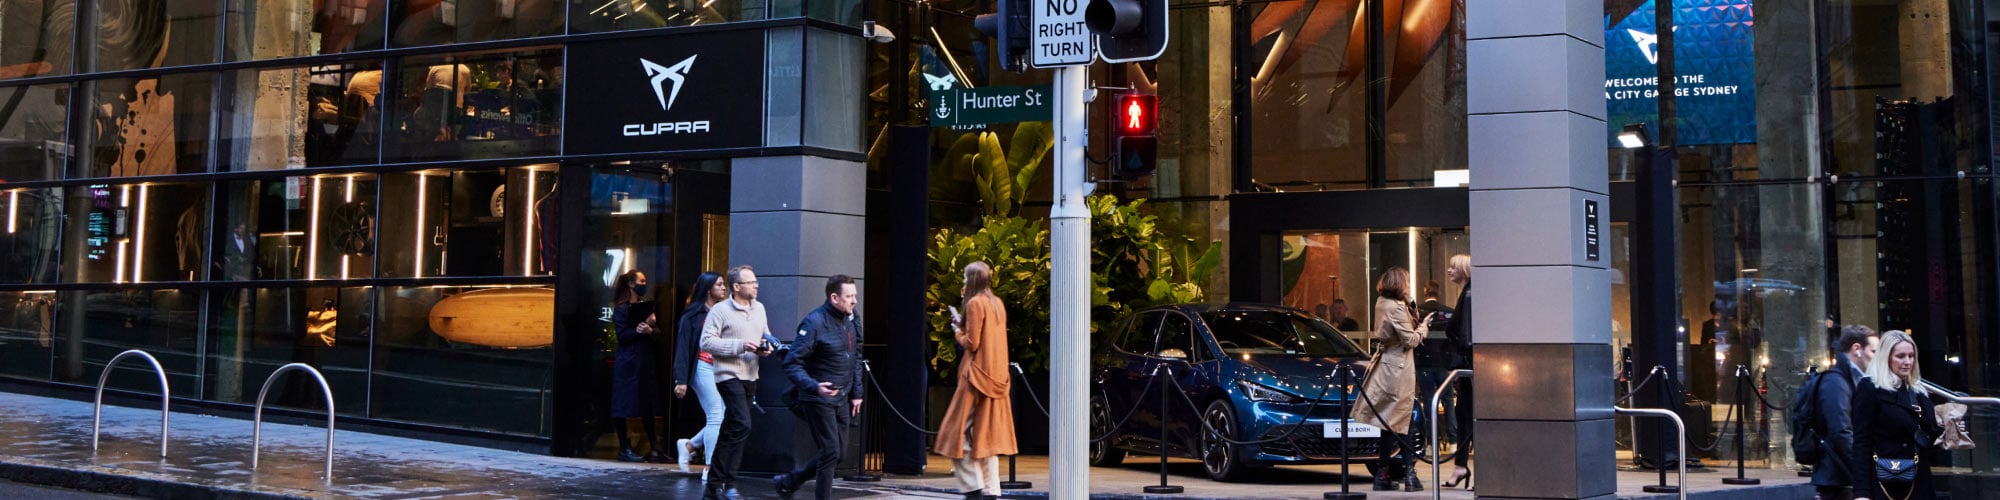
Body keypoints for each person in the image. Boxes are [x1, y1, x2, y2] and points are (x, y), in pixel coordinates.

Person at [774, 275, 867, 500]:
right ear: (834, 298)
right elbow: (792, 363)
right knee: (830, 451)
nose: (854, 301)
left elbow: (856, 356)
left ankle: (790, 481)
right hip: (818, 397)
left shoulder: (852, 318)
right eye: (849, 296)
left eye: (855, 295)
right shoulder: (814, 322)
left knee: (839, 454)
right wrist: (814, 386)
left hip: (842, 396)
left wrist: (857, 392)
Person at [933, 262, 1017, 500]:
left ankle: (973, 488)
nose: (962, 282)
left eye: (964, 277)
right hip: (996, 377)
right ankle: (991, 491)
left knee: (955, 433)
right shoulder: (996, 303)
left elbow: (972, 343)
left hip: (975, 377)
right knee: (985, 437)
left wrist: (957, 332)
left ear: (971, 280)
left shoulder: (974, 303)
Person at [699, 266, 777, 500]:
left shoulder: (759, 308)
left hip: (751, 375)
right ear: (737, 286)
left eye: (755, 281)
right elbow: (706, 342)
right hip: (727, 375)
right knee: (743, 424)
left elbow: (765, 334)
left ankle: (716, 485)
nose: (756, 285)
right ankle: (728, 483)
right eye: (751, 282)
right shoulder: (720, 310)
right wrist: (739, 345)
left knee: (732, 428)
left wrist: (766, 347)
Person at [1851, 330, 1957, 500]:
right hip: (1883, 479)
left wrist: (1949, 430)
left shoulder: (1917, 391)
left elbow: (1926, 437)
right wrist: (1862, 492)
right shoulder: (1870, 388)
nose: (1907, 361)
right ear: (1886, 358)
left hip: (1918, 479)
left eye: (1911, 356)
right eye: (1900, 356)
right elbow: (1861, 442)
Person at [1353, 266, 1429, 492]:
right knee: (1402, 420)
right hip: (1399, 367)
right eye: (1406, 282)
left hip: (1387, 365)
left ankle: (1382, 474)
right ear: (1399, 284)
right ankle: (1410, 474)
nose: (1409, 286)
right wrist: (1424, 328)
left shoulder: (1382, 303)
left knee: (1388, 421)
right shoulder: (1395, 308)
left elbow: (1407, 322)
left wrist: (1411, 303)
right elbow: (1410, 339)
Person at [1811, 325, 1879, 500]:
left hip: (1842, 475)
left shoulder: (1852, 380)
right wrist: (1863, 470)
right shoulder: (1836, 382)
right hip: (1837, 479)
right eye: (1873, 352)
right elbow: (1841, 432)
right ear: (1857, 349)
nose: (1877, 358)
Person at [673, 272, 727, 473]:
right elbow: (683, 347)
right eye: (719, 284)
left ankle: (690, 445)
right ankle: (710, 467)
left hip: (720, 367)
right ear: (708, 289)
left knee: (725, 415)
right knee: (716, 415)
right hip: (702, 366)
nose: (724, 288)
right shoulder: (692, 316)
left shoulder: (721, 312)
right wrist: (681, 379)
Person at [609, 270, 665, 463]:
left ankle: (654, 446)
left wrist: (649, 329)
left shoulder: (644, 307)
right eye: (641, 281)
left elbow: (657, 333)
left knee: (646, 403)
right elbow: (622, 336)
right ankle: (624, 448)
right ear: (631, 284)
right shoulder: (622, 309)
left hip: (644, 362)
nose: (644, 284)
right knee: (624, 404)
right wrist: (641, 329)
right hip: (628, 363)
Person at [1441, 255, 1474, 490]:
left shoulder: (1470, 294)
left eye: (1453, 267)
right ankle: (1460, 466)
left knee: (1470, 416)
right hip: (1466, 365)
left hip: (1469, 364)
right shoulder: (1466, 294)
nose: (1449, 270)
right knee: (1464, 415)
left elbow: (1464, 334)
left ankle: (1468, 467)